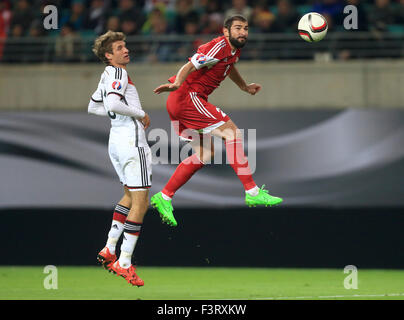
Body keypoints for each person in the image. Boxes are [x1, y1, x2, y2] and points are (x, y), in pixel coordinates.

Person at [151, 15, 283, 227]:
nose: (243, 32)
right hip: (188, 98)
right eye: (238, 28)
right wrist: (177, 83)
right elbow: (191, 65)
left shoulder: (233, 51)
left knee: (206, 153)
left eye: (246, 28)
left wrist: (244, 86)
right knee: (232, 133)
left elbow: (229, 67)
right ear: (225, 31)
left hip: (179, 103)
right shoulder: (217, 47)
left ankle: (164, 196)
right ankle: (252, 190)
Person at [88, 30, 152, 287]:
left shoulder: (106, 75)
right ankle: (124, 262)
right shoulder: (118, 73)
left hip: (116, 141)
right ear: (108, 55)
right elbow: (113, 105)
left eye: (125, 46)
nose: (125, 50)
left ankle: (109, 247)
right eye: (119, 48)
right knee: (142, 202)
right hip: (131, 142)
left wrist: (123, 117)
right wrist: (139, 113)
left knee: (129, 195)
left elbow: (94, 107)